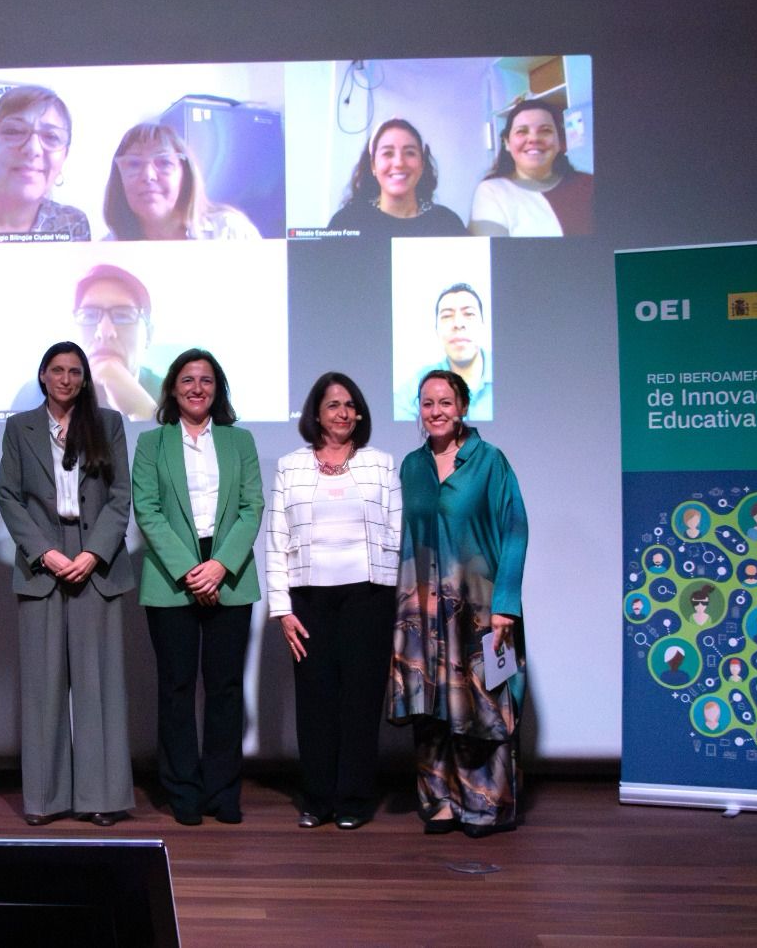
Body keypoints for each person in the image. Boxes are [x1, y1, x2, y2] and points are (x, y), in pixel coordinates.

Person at [0, 341, 135, 826]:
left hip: (96, 557)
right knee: (44, 687)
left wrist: (94, 553)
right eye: (57, 370)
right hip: (43, 559)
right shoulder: (20, 427)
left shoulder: (108, 424)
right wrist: (46, 552)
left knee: (99, 686)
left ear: (85, 379)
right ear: (42, 375)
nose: (66, 379)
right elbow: (8, 495)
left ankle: (101, 798)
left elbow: (121, 496)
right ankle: (46, 799)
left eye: (75, 371)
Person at [389, 370, 528, 837]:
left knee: (484, 704)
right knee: (430, 706)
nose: (436, 411)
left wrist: (506, 603)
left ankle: (483, 805)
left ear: (463, 407)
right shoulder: (412, 466)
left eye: (445, 402)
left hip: (482, 609)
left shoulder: (490, 461)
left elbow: (515, 530)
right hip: (423, 609)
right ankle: (440, 802)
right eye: (427, 403)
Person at [131, 349, 263, 825]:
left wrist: (219, 565)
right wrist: (192, 569)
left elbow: (252, 506)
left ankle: (223, 792)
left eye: (206, 380)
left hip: (230, 572)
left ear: (217, 389)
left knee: (225, 688)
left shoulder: (239, 440)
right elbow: (147, 509)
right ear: (173, 387)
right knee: (177, 687)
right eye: (188, 379)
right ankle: (183, 791)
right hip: (172, 578)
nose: (197, 387)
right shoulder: (151, 443)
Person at [266, 372, 402, 830]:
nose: (342, 412)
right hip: (309, 599)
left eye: (349, 405)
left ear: (358, 414)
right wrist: (282, 608)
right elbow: (277, 538)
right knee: (315, 700)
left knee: (361, 700)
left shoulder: (381, 464)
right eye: (333, 405)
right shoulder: (291, 466)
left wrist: (392, 596)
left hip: (369, 597)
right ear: (317, 414)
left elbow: (397, 533)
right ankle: (317, 799)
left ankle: (354, 800)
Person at [11, 264, 160, 420]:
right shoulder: (31, 395)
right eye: (89, 316)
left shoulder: (171, 395)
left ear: (148, 335)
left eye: (123, 315)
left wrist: (144, 411)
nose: (104, 332)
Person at [102, 123, 262, 240]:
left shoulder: (229, 232)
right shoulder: (109, 249)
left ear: (185, 174)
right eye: (133, 164)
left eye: (164, 162)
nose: (148, 175)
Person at [0, 85, 90, 240]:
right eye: (14, 131)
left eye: (51, 137)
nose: (33, 149)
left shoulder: (71, 223)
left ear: (65, 155)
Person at [469, 98, 593, 237]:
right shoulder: (492, 191)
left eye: (545, 130)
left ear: (560, 141)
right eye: (522, 131)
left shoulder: (590, 184)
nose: (534, 139)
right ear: (507, 143)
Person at [327, 118, 468, 238]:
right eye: (388, 153)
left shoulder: (447, 223)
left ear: (422, 165)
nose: (399, 163)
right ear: (373, 166)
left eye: (410, 153)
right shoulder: (346, 222)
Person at [398, 283, 493, 420]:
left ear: (482, 325)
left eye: (469, 314)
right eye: (447, 316)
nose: (458, 324)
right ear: (436, 330)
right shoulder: (417, 385)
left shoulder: (508, 373)